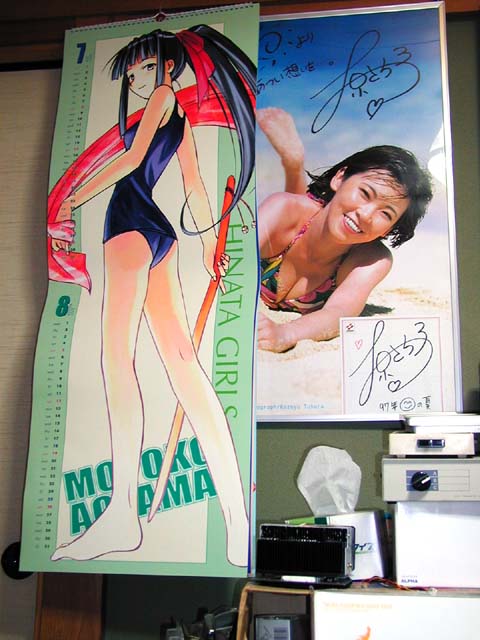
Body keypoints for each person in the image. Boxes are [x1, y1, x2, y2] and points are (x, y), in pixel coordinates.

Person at [48, 25, 256, 565]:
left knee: (118, 360)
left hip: (129, 227)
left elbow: (130, 162)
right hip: (159, 233)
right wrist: (209, 244)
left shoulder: (162, 97)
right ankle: (237, 523)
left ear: (167, 67)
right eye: (133, 71)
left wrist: (71, 198)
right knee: (184, 366)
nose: (138, 78)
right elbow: (194, 185)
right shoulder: (177, 111)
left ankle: (121, 515)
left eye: (146, 66)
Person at [256, 107, 433, 353]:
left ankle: (295, 164)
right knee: (296, 210)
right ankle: (293, 163)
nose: (366, 215)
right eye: (365, 193)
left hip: (309, 221)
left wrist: (284, 334)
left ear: (389, 229)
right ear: (339, 178)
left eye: (386, 214)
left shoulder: (371, 261)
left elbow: (338, 313)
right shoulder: (281, 209)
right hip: (296, 220)